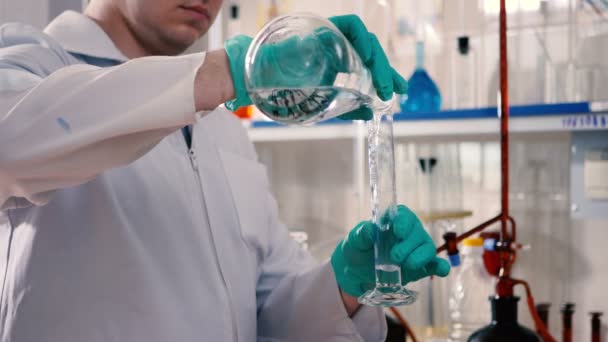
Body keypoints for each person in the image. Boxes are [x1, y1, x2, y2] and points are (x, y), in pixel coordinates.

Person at [0, 1, 450, 341]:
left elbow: (266, 315)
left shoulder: (222, 128)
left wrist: (345, 286)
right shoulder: (33, 62)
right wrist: (227, 73)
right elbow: (12, 145)